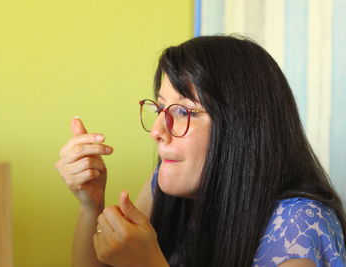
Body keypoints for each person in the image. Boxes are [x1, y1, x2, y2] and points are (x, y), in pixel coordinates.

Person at [55, 35, 346, 267]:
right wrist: (90, 203)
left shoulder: (299, 223)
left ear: (239, 127)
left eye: (182, 111)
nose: (157, 130)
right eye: (159, 108)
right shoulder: (163, 185)